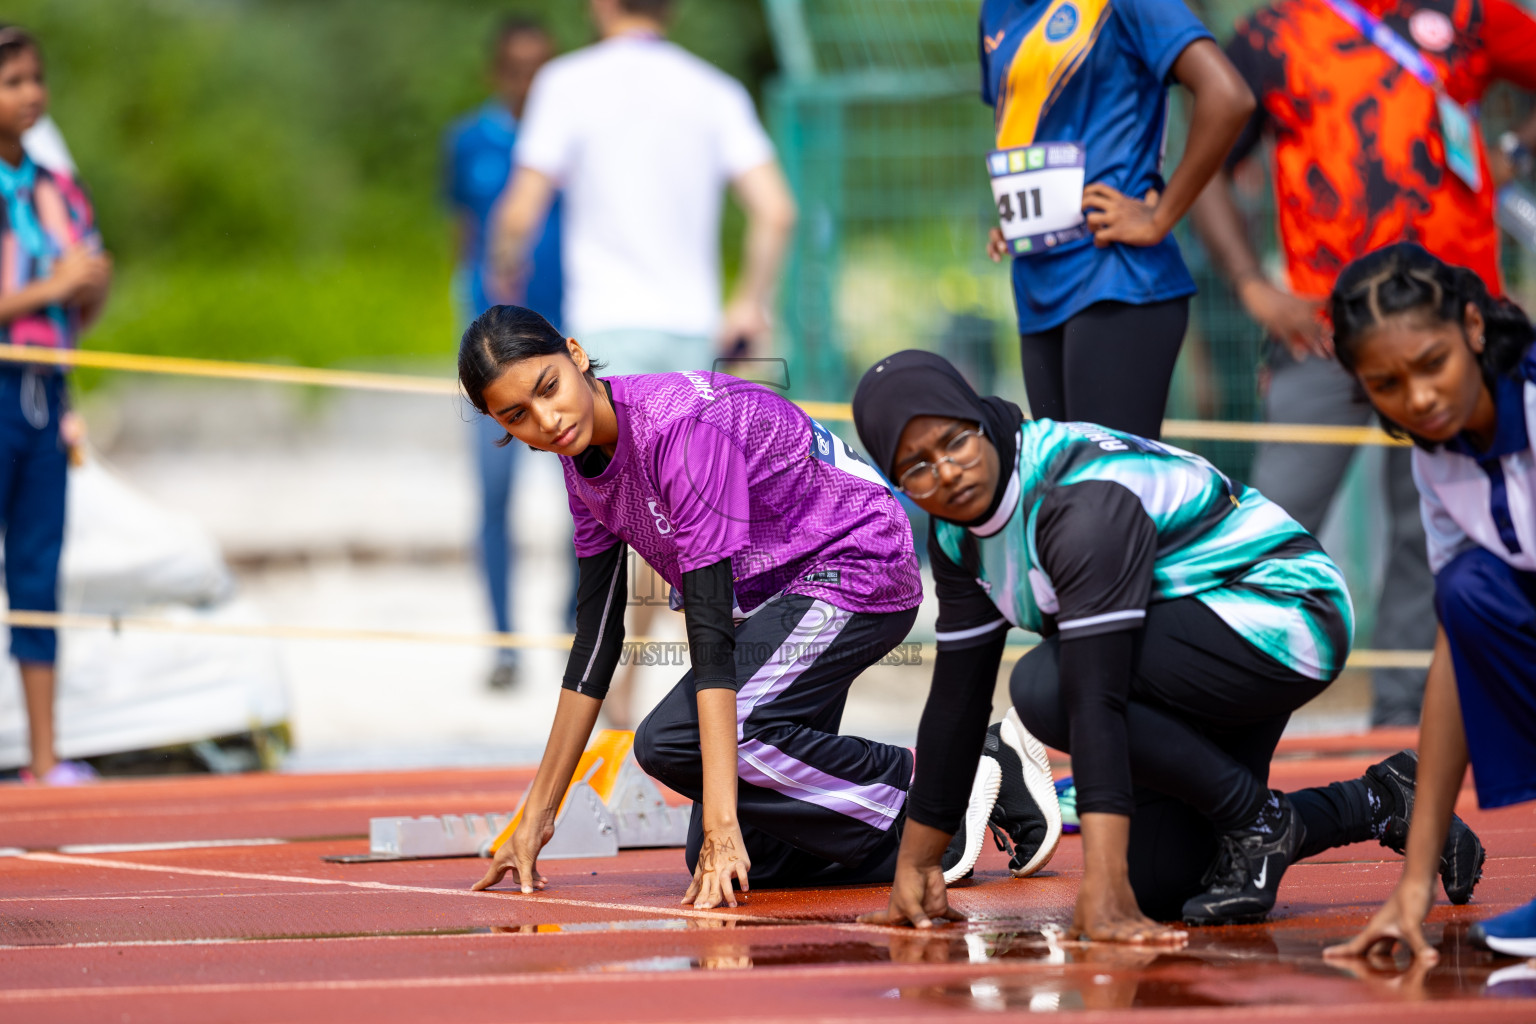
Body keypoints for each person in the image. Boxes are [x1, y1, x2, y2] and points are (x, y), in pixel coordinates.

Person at [850, 350, 1484, 941]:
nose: (948, 471)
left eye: (956, 441)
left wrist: (1100, 888)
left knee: (1044, 685)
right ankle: (1378, 800)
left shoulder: (1077, 501)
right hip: (1185, 647)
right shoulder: (961, 537)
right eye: (918, 467)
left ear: (982, 423)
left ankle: (1255, 818)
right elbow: (956, 702)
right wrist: (918, 865)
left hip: (1288, 617)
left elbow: (1094, 693)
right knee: (1163, 886)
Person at [459, 308, 1041, 907]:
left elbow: (709, 634)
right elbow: (596, 640)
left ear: (576, 355)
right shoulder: (579, 462)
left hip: (854, 563)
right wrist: (536, 818)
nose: (547, 420)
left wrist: (720, 825)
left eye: (548, 388)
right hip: (770, 605)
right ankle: (939, 836)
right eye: (516, 416)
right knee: (751, 862)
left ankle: (956, 778)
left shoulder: (679, 430)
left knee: (675, 743)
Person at [1191, 0, 1536, 726]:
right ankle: (1224, 714)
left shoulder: (1472, 11)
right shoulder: (1272, 31)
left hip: (1449, 341)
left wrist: (1518, 148)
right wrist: (1255, 287)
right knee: (1271, 530)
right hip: (1320, 334)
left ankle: (1408, 729)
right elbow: (1208, 163)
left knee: (1434, 534)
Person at [489, 0, 798, 726]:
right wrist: (748, 301)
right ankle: (651, 692)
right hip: (691, 333)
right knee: (685, 518)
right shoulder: (714, 89)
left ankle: (613, 701)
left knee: (614, 518)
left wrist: (503, 274)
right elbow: (775, 210)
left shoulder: (568, 82)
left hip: (602, 334)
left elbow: (520, 208)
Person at [1322, 244, 1535, 962]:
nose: (1417, 398)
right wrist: (1413, 885)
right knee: (1470, 591)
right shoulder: (1435, 458)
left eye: (1432, 362)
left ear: (1474, 327)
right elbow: (1460, 640)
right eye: (1386, 382)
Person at [978, 0, 1255, 439]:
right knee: (1064, 494)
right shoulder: (996, 11)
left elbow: (1229, 95)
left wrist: (1160, 216)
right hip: (1036, 286)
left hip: (1117, 276)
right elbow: (1036, 124)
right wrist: (1020, 219)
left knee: (1109, 492)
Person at [0, 26, 111, 784]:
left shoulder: (56, 184)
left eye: (36, 78)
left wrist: (87, 290)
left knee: (39, 573)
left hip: (48, 392)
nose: (32, 94)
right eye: (13, 82)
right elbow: (50, 288)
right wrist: (55, 287)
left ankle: (43, 758)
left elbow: (84, 298)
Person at [445, 16, 563, 692]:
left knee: (587, 489)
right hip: (493, 344)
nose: (529, 84)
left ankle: (574, 619)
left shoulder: (568, 141)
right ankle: (503, 640)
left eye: (540, 69)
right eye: (517, 69)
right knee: (493, 493)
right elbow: (464, 235)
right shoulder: (469, 141)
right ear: (498, 71)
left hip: (560, 335)